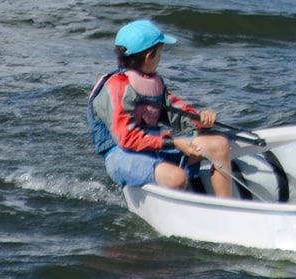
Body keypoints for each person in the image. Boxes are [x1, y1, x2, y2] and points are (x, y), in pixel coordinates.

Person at [87, 19, 235, 199]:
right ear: (149, 56)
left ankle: (225, 206)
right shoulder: (116, 87)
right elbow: (127, 139)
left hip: (153, 146)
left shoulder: (152, 82)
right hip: (121, 154)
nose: (161, 57)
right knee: (176, 178)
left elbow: (176, 112)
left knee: (219, 145)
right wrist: (174, 142)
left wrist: (199, 120)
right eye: (159, 53)